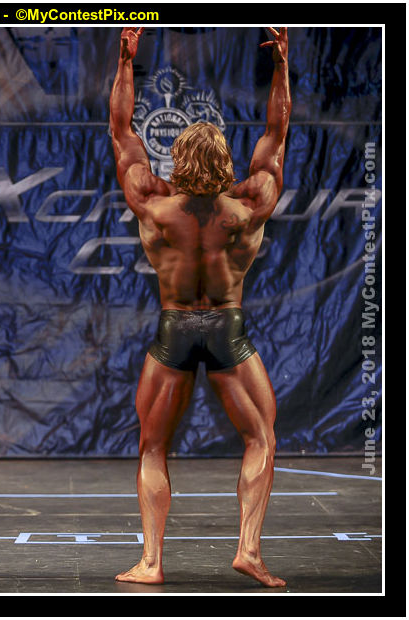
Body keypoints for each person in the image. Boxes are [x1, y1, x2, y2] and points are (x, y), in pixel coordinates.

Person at [109, 27, 290, 587]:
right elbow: (277, 132)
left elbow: (121, 131)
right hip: (227, 328)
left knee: (152, 446)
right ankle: (248, 550)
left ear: (178, 157)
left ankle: (151, 562)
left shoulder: (153, 203)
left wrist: (125, 62)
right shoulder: (249, 203)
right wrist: (281, 67)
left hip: (175, 329)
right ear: (225, 158)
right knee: (261, 438)